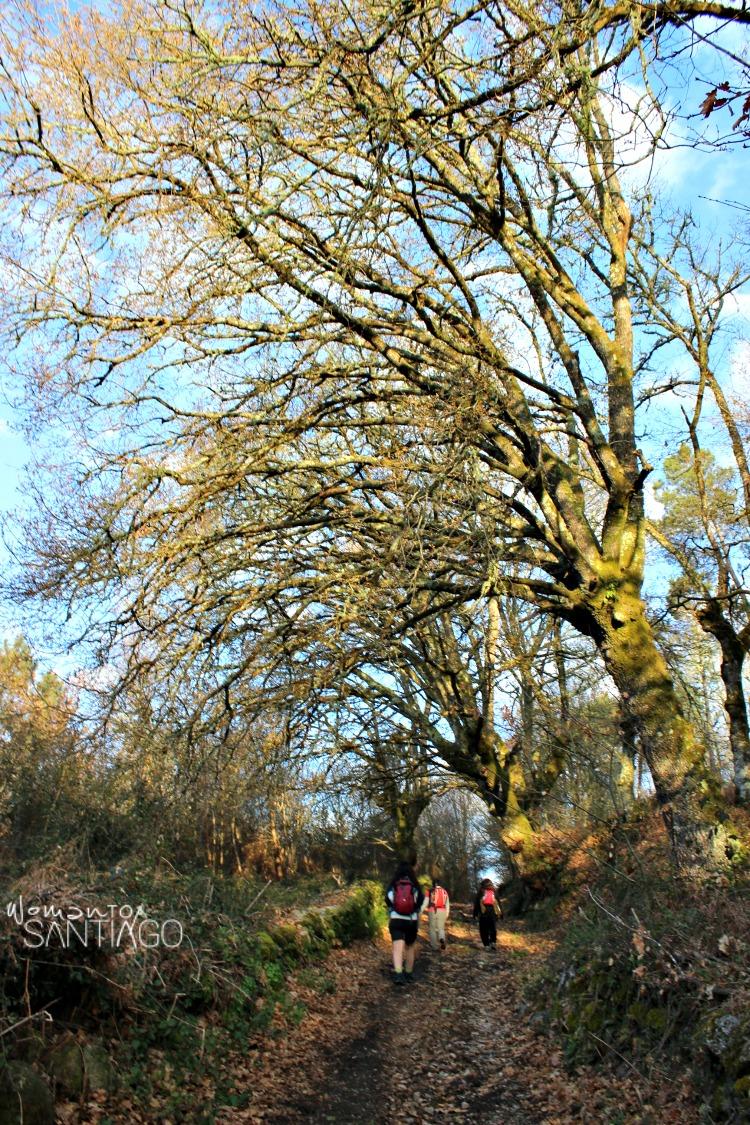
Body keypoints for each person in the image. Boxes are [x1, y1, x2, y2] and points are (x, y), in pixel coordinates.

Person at [385, 860, 425, 985]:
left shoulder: (394, 884)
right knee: (410, 947)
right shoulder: (414, 885)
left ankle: (398, 975)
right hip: (411, 921)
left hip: (396, 920)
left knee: (397, 948)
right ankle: (408, 973)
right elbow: (420, 901)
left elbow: (388, 900)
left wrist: (394, 908)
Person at [473, 878, 502, 949]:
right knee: (493, 928)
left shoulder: (481, 892)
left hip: (483, 913)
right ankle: (493, 942)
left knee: (483, 929)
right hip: (493, 913)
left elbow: (477, 904)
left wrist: (475, 914)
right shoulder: (494, 891)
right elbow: (498, 903)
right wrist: (501, 914)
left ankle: (486, 945)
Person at [427, 878, 450, 951]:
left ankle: (434, 946)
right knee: (441, 928)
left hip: (432, 910)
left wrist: (420, 911)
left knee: (432, 929)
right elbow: (447, 903)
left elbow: (425, 902)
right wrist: (447, 913)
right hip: (442, 910)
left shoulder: (430, 891)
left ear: (433, 884)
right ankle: (442, 939)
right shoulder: (444, 892)